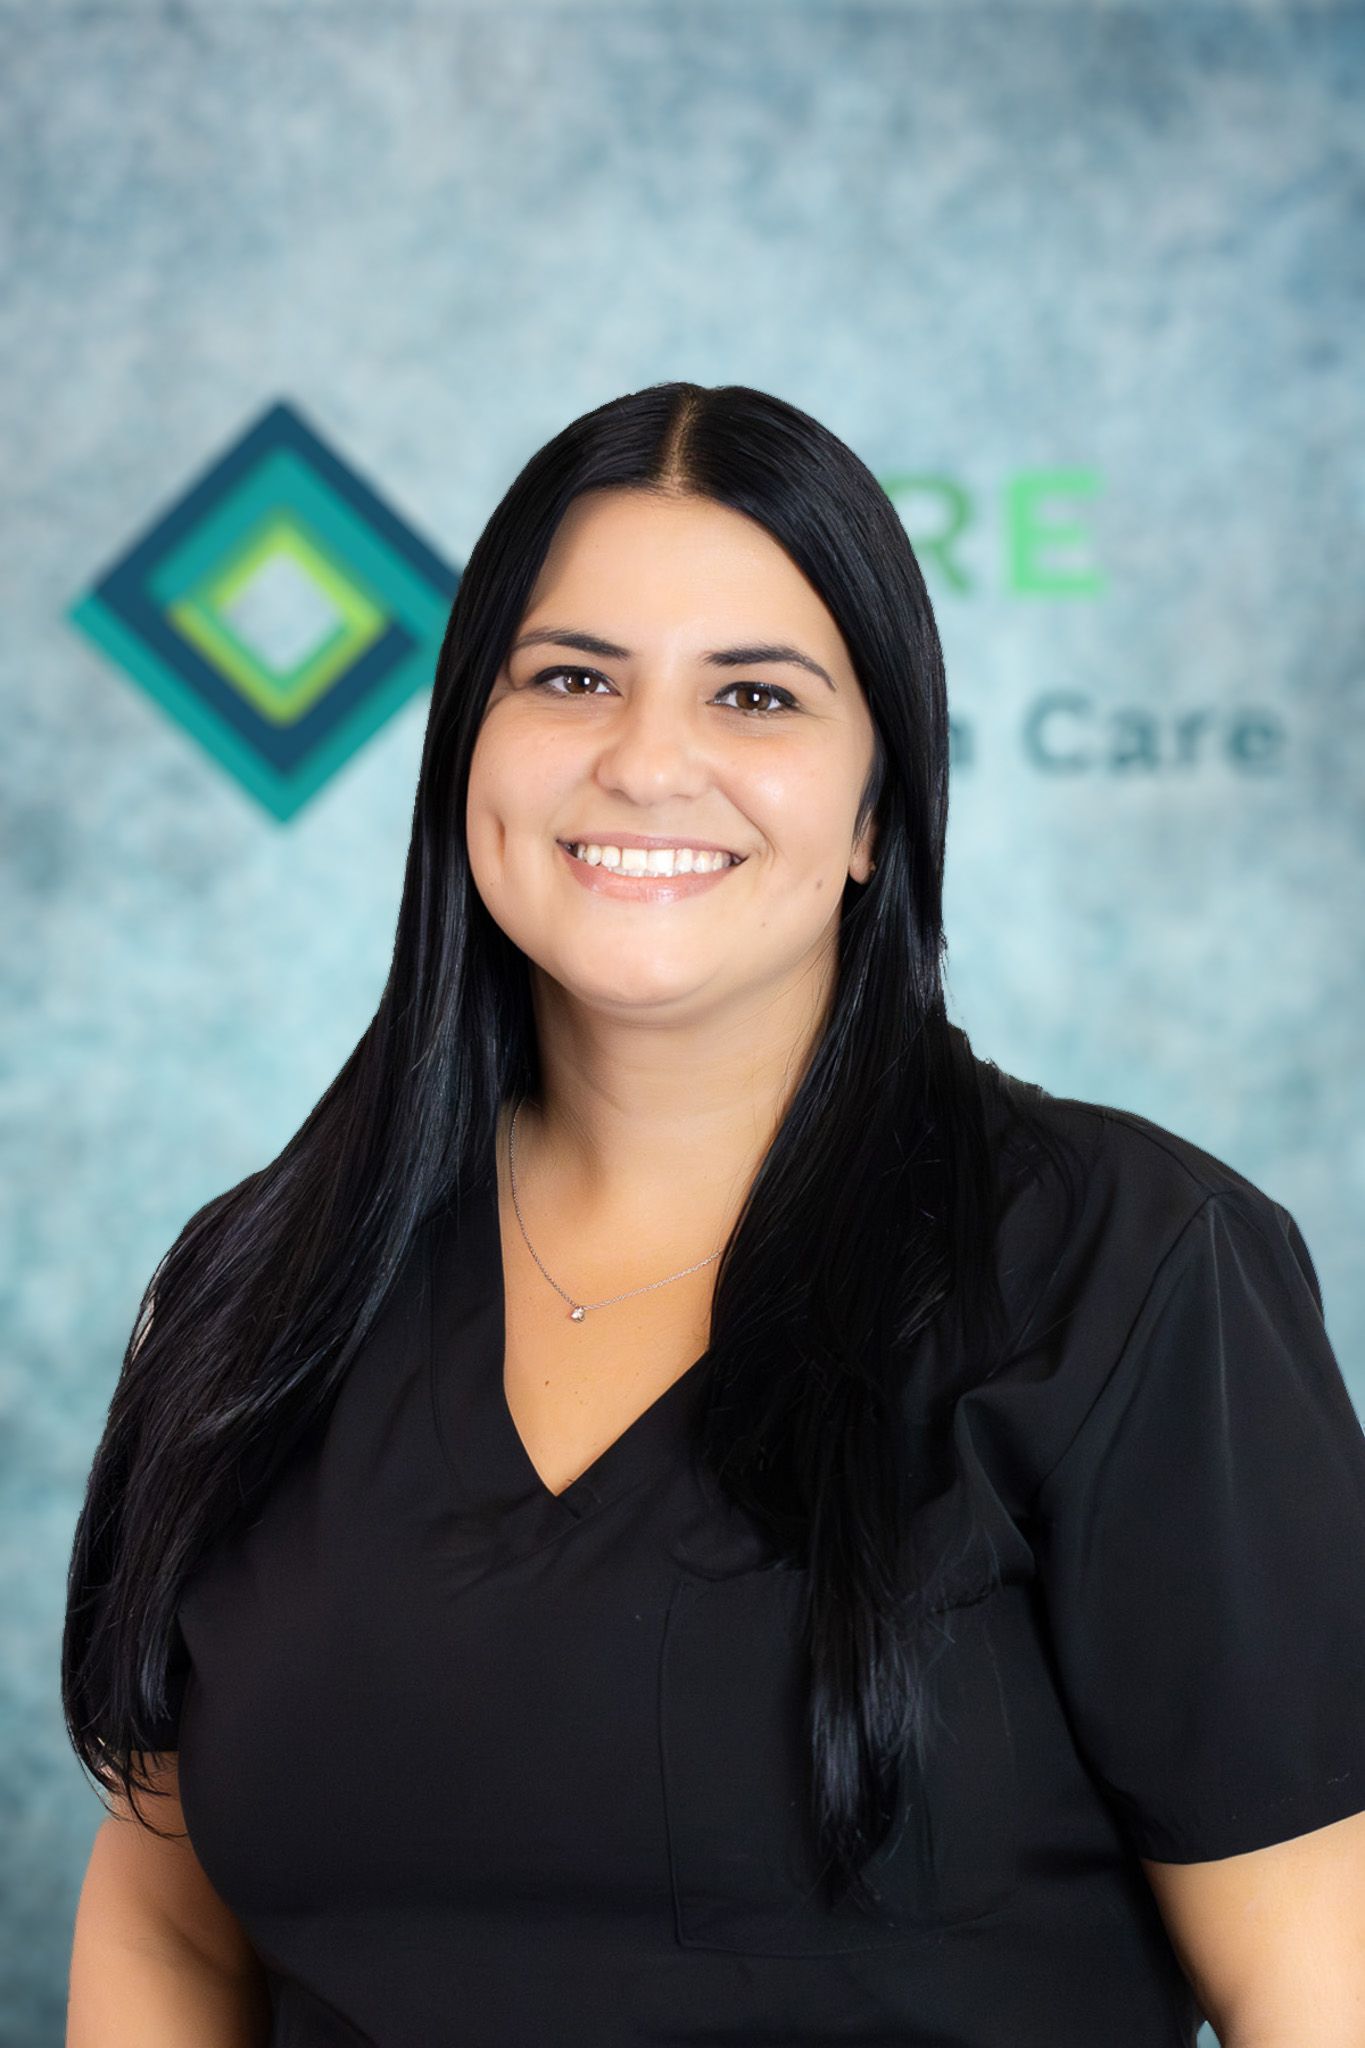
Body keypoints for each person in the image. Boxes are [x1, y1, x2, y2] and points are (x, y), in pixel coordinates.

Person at [63, 382, 1365, 2048]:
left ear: (875, 812)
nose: (647, 759)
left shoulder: (1128, 1265)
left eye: (755, 695)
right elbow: (170, 1919)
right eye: (572, 678)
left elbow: (1313, 1979)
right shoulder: (261, 1289)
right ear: (469, 746)